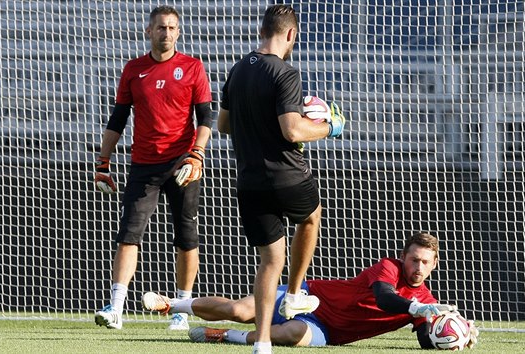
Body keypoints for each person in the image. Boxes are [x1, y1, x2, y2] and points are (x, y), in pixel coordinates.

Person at [214, 4, 346, 354]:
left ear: (263, 30)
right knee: (312, 216)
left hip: (249, 183)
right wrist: (328, 126)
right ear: (290, 34)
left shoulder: (237, 70)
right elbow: (292, 131)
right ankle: (297, 293)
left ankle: (262, 343)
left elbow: (223, 126)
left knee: (270, 261)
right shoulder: (286, 73)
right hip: (287, 177)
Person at [141, 232, 479, 349]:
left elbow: (425, 340)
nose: (417, 267)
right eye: (413, 259)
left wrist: (457, 335)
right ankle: (174, 304)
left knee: (288, 334)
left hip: (327, 331)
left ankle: (221, 336)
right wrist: (416, 310)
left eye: (424, 263)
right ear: (403, 256)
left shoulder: (430, 302)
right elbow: (384, 298)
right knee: (241, 310)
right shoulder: (388, 268)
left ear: (433, 265)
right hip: (307, 295)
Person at [93, 5, 213, 331]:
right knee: (128, 234)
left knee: (186, 237)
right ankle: (116, 308)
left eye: (173, 28)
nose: (167, 33)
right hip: (143, 164)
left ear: (179, 32)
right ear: (149, 31)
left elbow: (207, 118)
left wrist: (197, 154)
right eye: (161, 27)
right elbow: (117, 120)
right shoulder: (133, 69)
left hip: (182, 163)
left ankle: (180, 309)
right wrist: (103, 161)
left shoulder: (192, 67)